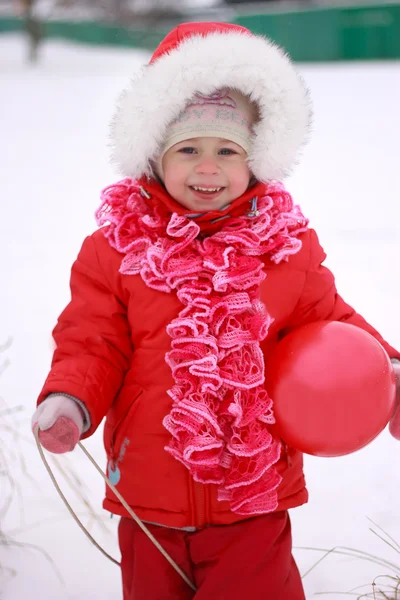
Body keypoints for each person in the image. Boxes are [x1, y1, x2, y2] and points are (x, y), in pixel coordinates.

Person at [31, 21, 400, 600]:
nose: (209, 168)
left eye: (228, 150)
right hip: (148, 495)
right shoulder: (117, 251)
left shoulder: (283, 249)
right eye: (189, 150)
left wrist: (388, 377)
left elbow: (331, 323)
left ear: (255, 159)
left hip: (250, 496)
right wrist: (70, 400)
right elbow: (92, 341)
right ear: (155, 156)